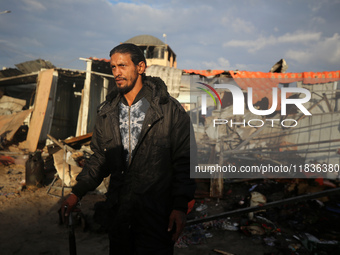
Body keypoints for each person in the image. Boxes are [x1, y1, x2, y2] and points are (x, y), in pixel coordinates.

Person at [60, 43, 196, 254]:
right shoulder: (107, 113)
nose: (117, 72)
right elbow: (99, 159)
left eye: (122, 66)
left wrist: (180, 206)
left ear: (140, 67)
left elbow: (185, 160)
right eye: (113, 67)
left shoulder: (169, 111)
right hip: (120, 213)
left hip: (157, 215)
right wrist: (77, 193)